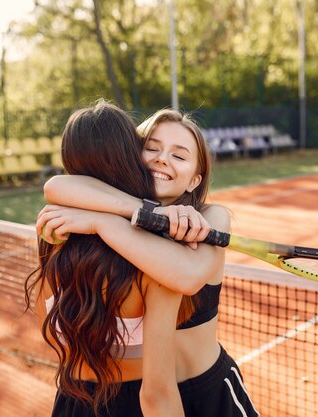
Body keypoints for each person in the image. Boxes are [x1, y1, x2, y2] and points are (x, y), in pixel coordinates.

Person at [37, 106, 259, 417]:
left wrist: (102, 222)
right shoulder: (125, 219)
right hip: (149, 396)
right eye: (151, 148)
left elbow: (187, 275)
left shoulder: (212, 217)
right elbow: (56, 187)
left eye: (179, 156)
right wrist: (148, 212)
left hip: (205, 394)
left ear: (195, 180)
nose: (162, 159)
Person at [26, 101, 186, 417]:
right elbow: (157, 395)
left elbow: (46, 316)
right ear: (131, 155)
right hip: (133, 406)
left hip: (70, 402)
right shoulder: (156, 250)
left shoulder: (51, 228)